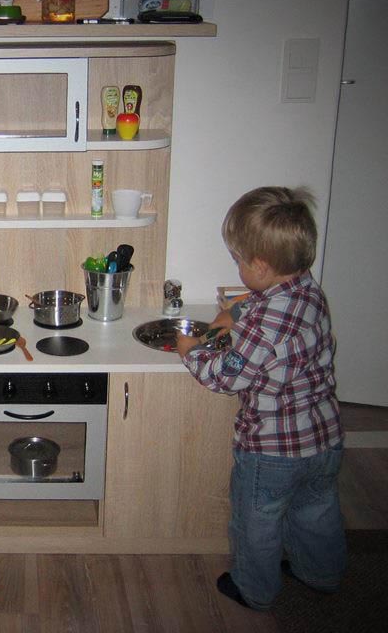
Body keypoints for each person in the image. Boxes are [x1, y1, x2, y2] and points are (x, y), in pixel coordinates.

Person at [175, 186, 346, 611]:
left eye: (239, 260)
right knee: (317, 512)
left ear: (261, 266)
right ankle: (321, 574)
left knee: (257, 523)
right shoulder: (308, 292)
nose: (237, 266)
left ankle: (254, 589)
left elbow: (226, 377)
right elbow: (261, 303)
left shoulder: (264, 323)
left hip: (272, 451)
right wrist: (233, 312)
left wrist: (190, 350)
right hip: (324, 440)